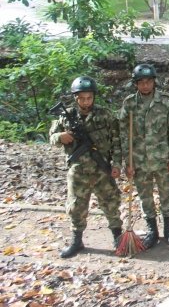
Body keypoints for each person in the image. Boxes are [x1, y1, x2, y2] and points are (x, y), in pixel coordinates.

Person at [50, 76, 123, 258]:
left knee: (111, 202)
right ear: (75, 98)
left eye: (89, 97)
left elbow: (117, 141)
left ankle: (117, 236)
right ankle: (77, 240)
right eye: (81, 98)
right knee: (76, 206)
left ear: (94, 97)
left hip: (101, 168)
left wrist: (116, 164)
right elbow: (51, 136)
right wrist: (60, 136)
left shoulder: (104, 115)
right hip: (78, 170)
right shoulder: (66, 116)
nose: (85, 101)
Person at [120, 64, 169, 249]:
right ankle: (152, 231)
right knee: (145, 197)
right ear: (136, 84)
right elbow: (124, 134)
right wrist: (127, 161)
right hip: (139, 160)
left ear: (154, 82)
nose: (145, 85)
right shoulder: (130, 103)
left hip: (162, 159)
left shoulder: (166, 102)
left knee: (166, 195)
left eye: (148, 82)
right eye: (141, 82)